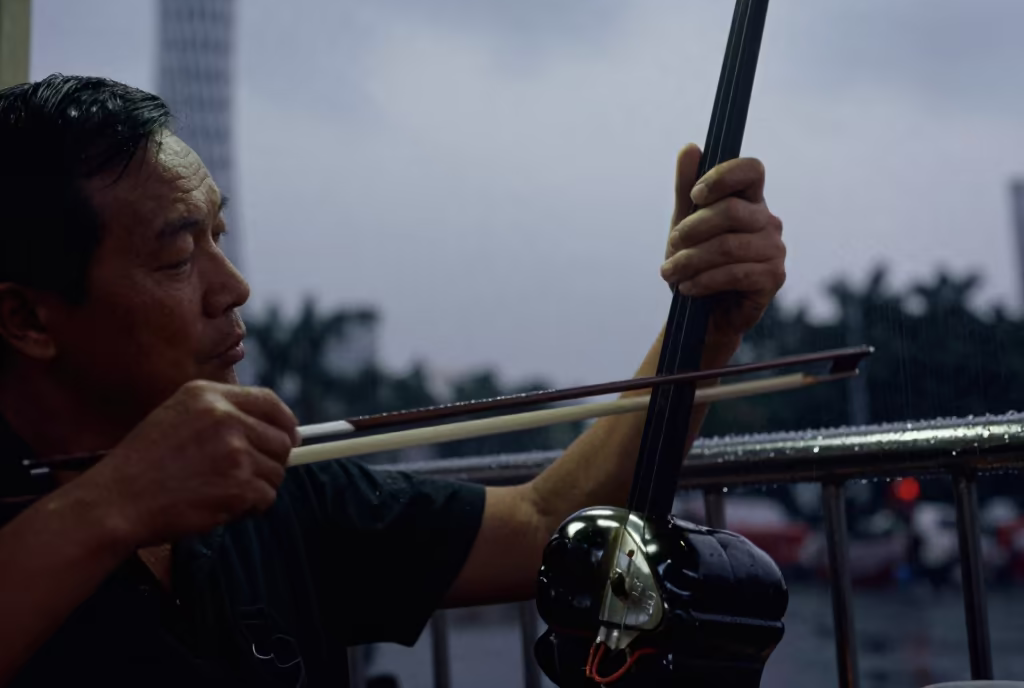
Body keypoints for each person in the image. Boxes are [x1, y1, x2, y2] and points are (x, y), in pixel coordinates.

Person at [0, 74, 787, 687]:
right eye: (177, 258)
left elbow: (544, 522)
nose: (233, 286)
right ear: (29, 320)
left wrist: (704, 329)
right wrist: (117, 501)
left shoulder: (266, 489)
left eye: (220, 237)